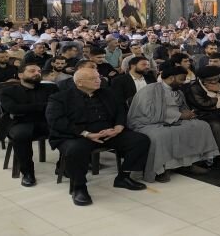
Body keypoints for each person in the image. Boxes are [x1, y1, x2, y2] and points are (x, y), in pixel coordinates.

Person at [46, 69, 150, 206]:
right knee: (75, 150)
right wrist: (86, 134)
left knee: (140, 140)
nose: (98, 80)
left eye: (98, 77)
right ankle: (79, 187)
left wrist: (119, 126)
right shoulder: (60, 98)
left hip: (109, 132)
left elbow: (121, 109)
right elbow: (57, 121)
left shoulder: (107, 93)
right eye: (93, 78)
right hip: (78, 135)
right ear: (80, 82)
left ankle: (123, 177)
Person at [127, 65, 220, 182]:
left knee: (201, 126)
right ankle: (161, 170)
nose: (184, 82)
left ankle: (187, 163)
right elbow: (147, 113)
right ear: (171, 78)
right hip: (147, 123)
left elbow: (181, 107)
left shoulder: (178, 91)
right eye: (181, 79)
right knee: (160, 136)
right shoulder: (150, 90)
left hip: (174, 120)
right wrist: (179, 115)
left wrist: (187, 113)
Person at [0, 63, 59, 187]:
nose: (37, 73)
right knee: (21, 134)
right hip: (19, 123)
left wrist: (23, 110)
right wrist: (43, 106)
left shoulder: (51, 88)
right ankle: (27, 173)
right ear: (20, 75)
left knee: (67, 129)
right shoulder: (8, 91)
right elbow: (12, 108)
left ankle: (63, 166)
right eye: (32, 71)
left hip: (45, 121)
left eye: (39, 71)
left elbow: (57, 107)